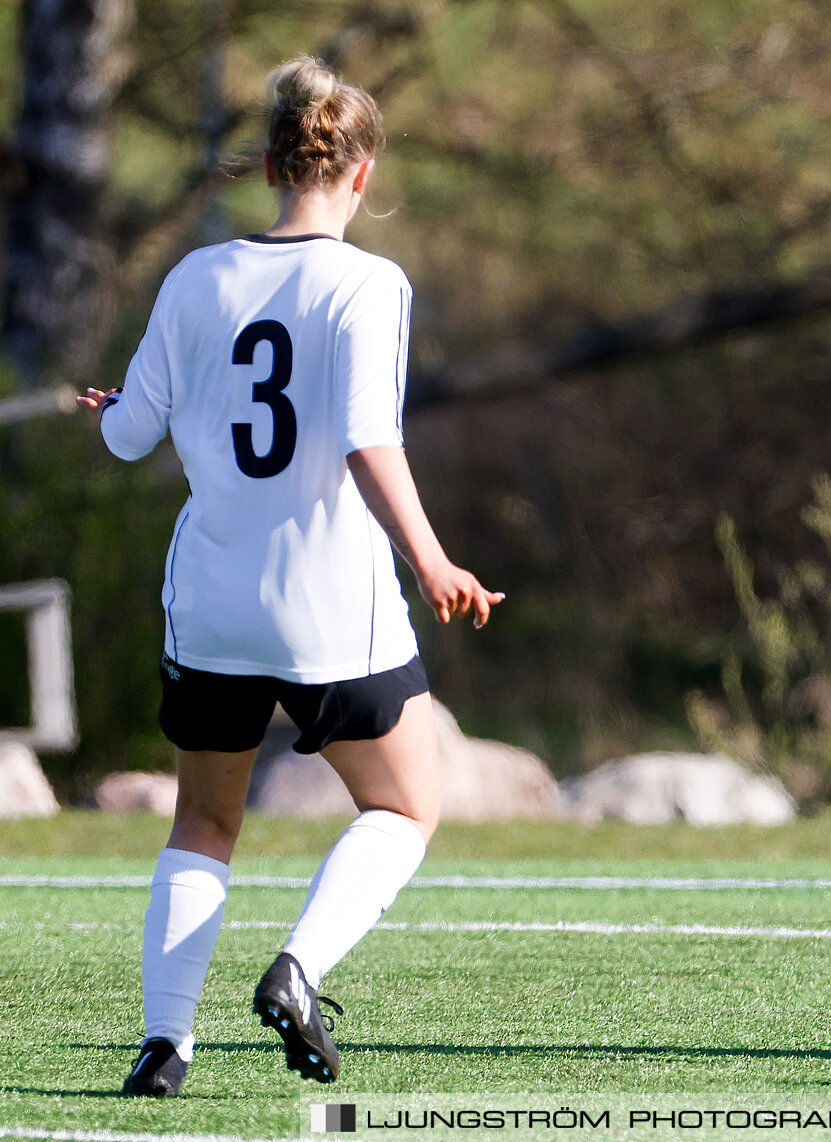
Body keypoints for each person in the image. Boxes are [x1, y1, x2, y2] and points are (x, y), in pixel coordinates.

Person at [82, 55, 503, 1097]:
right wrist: (433, 555)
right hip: (332, 610)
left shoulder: (194, 277)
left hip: (214, 606)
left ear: (268, 165)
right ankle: (299, 967)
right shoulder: (370, 283)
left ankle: (164, 1043)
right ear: (360, 178)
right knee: (405, 807)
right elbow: (369, 438)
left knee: (203, 825)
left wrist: (114, 408)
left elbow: (132, 438)